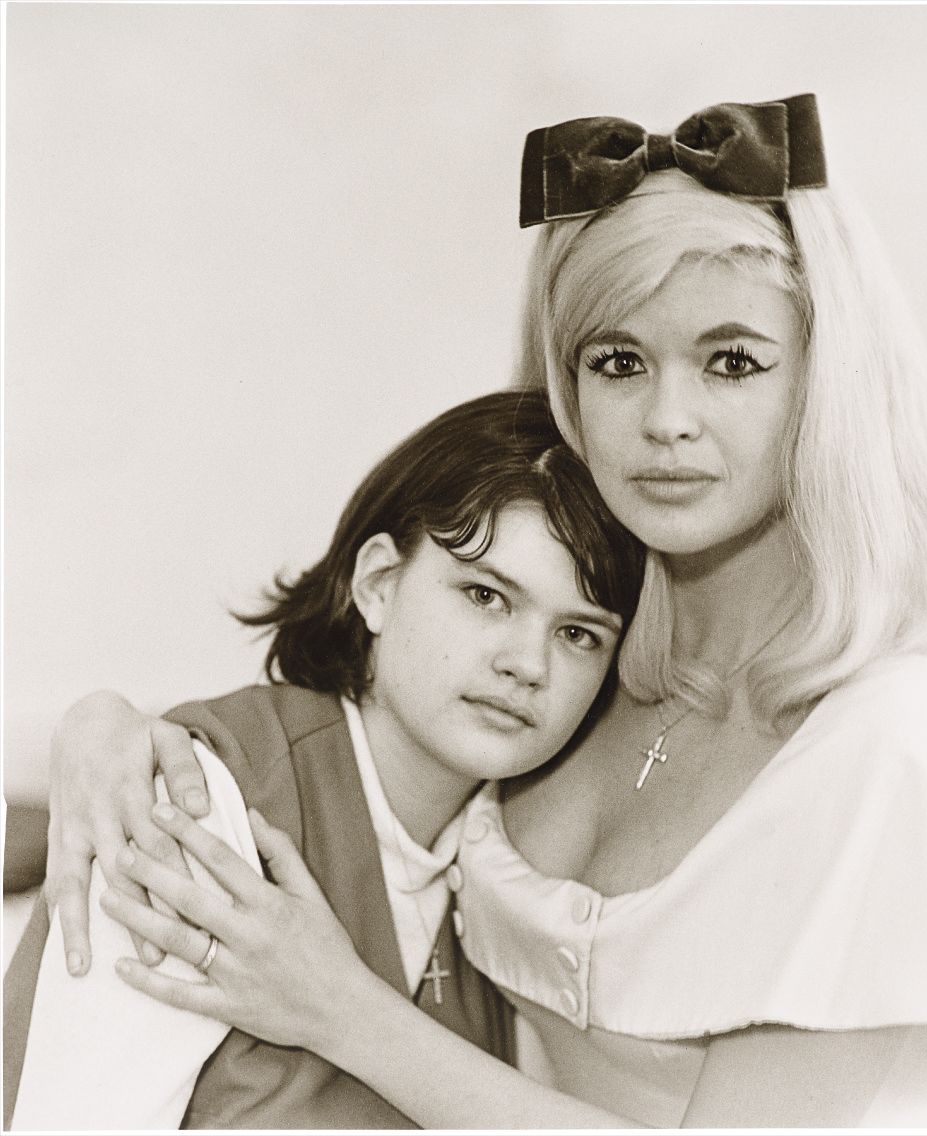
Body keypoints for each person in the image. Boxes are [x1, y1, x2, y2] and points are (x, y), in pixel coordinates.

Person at [29, 95, 927, 1127]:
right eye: (618, 362)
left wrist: (340, 1007)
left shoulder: (890, 732)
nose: (666, 419)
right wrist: (104, 729)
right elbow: (337, 766)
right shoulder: (576, 668)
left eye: (732, 362)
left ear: (824, 386)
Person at [3, 389, 644, 1129]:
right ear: (378, 585)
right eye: (485, 595)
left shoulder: (509, 875)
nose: (527, 664)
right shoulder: (200, 804)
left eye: (578, 634)